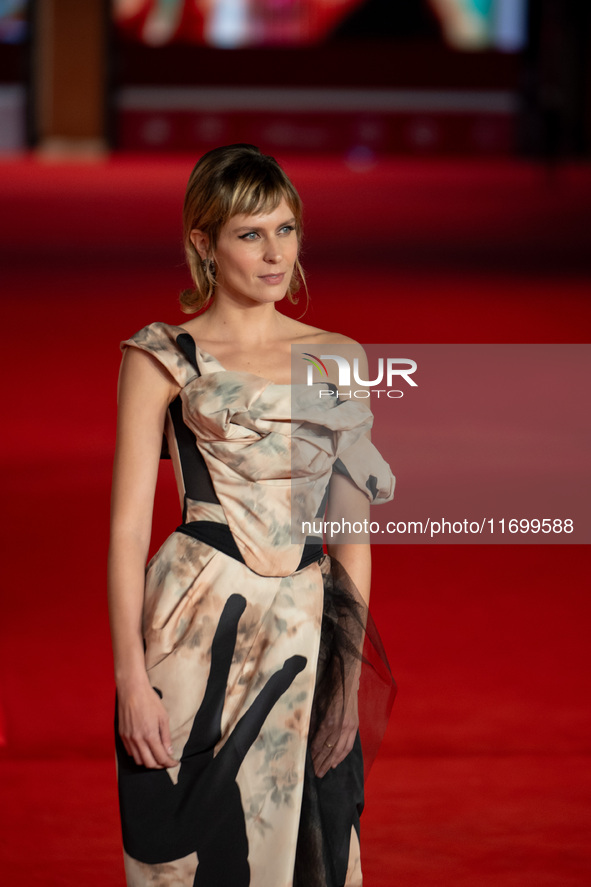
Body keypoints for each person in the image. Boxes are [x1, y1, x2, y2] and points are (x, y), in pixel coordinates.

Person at [108, 143, 396, 887]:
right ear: (202, 243)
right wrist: (131, 678)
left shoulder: (337, 358)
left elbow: (353, 537)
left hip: (304, 625)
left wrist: (345, 675)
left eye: (285, 229)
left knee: (313, 848)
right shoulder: (161, 357)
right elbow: (126, 529)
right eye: (249, 233)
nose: (275, 253)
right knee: (184, 853)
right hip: (192, 624)